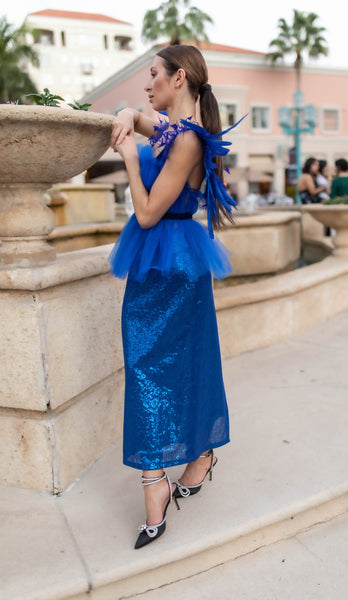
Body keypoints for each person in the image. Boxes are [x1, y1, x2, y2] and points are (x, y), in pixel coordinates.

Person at [109, 45, 239, 550]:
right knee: (181, 362)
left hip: (169, 262)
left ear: (179, 77)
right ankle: (198, 458)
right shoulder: (174, 128)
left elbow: (145, 214)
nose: (147, 85)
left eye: (154, 75)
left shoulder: (186, 140)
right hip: (166, 260)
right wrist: (126, 115)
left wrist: (125, 159)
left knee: (147, 366)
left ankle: (154, 482)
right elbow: (142, 120)